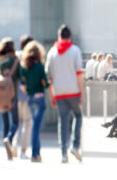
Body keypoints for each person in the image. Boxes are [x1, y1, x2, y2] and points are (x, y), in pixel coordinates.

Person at [47, 25, 85, 163]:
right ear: (70, 37)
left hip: (59, 92)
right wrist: (81, 92)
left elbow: (49, 77)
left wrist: (52, 94)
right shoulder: (75, 51)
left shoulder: (51, 52)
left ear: (59, 36)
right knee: (78, 116)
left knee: (62, 120)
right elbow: (79, 73)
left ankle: (63, 152)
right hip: (73, 90)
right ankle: (75, 145)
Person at [20, 40, 48, 162]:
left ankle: (36, 153)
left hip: (30, 99)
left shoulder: (24, 68)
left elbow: (22, 85)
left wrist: (28, 90)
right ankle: (35, 154)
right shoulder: (40, 67)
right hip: (39, 98)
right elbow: (45, 83)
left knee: (34, 126)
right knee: (36, 127)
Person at [0, 37, 21, 161]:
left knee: (5, 122)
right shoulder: (15, 61)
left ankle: (7, 149)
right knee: (15, 122)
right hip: (12, 95)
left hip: (0, 97)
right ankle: (9, 139)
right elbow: (20, 76)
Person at [15, 35, 36, 159]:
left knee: (18, 122)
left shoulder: (16, 56)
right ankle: (23, 151)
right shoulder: (30, 58)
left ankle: (14, 146)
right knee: (28, 123)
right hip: (27, 94)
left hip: (16, 94)